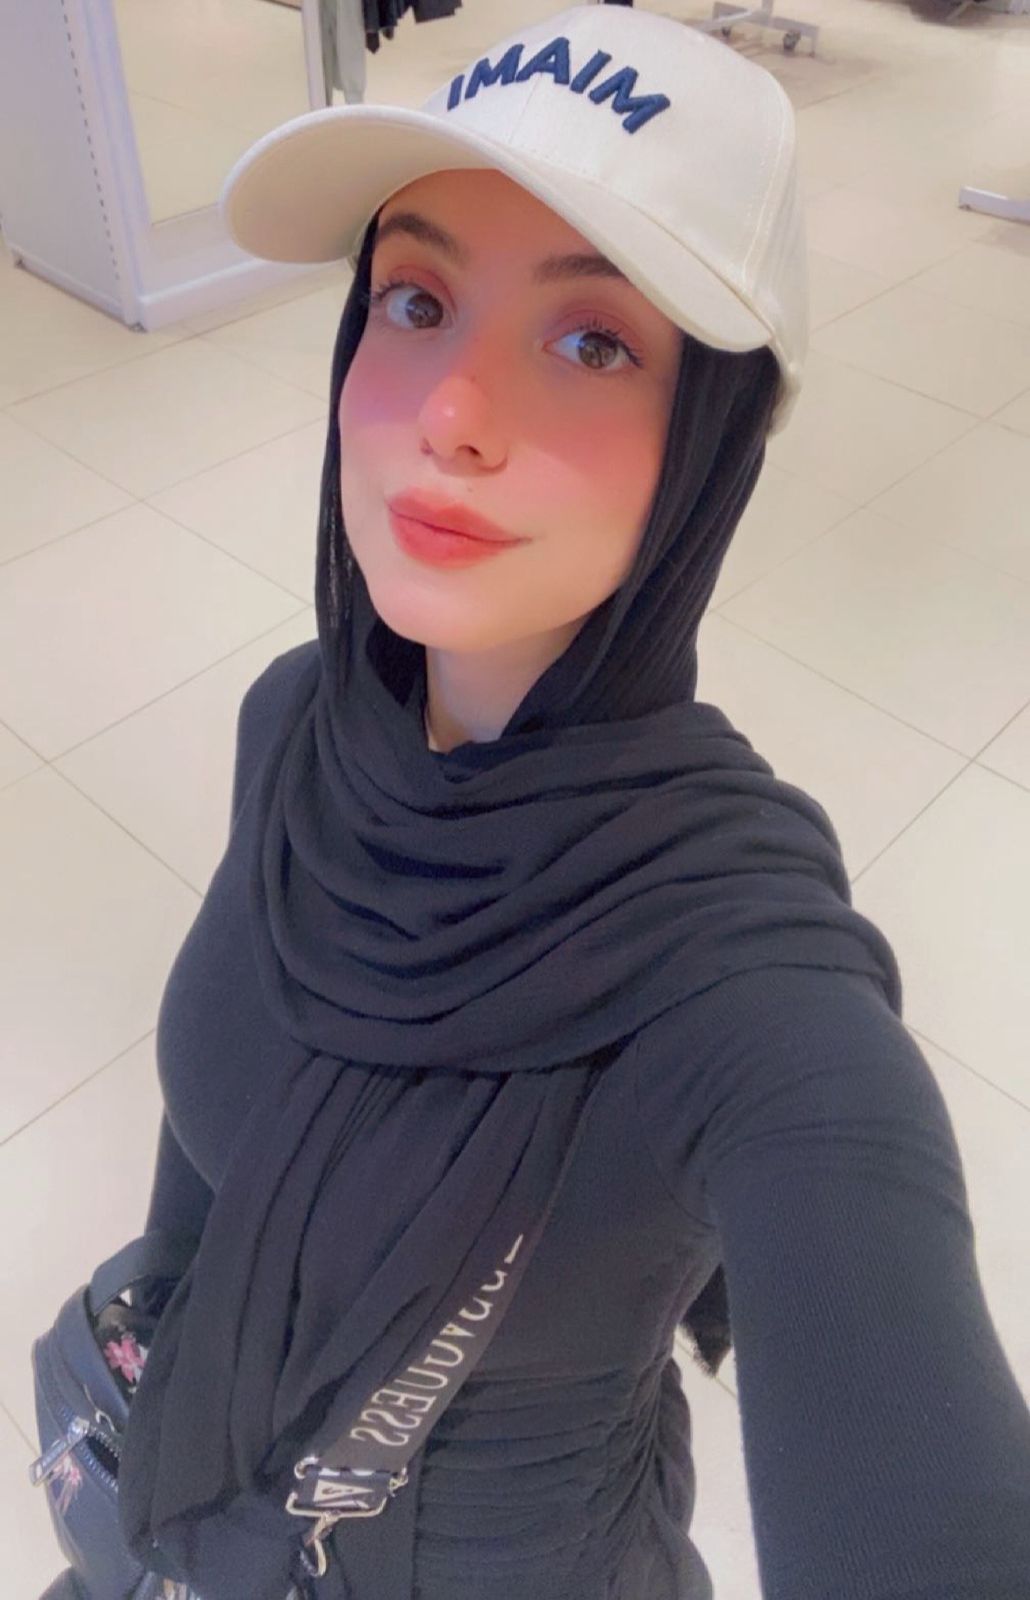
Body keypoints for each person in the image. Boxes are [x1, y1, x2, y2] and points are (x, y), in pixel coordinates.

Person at [99, 7, 1030, 1600]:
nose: (449, 412)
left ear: (711, 444)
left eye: (593, 342)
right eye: (415, 300)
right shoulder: (299, 722)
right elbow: (214, 1152)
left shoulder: (753, 1009)